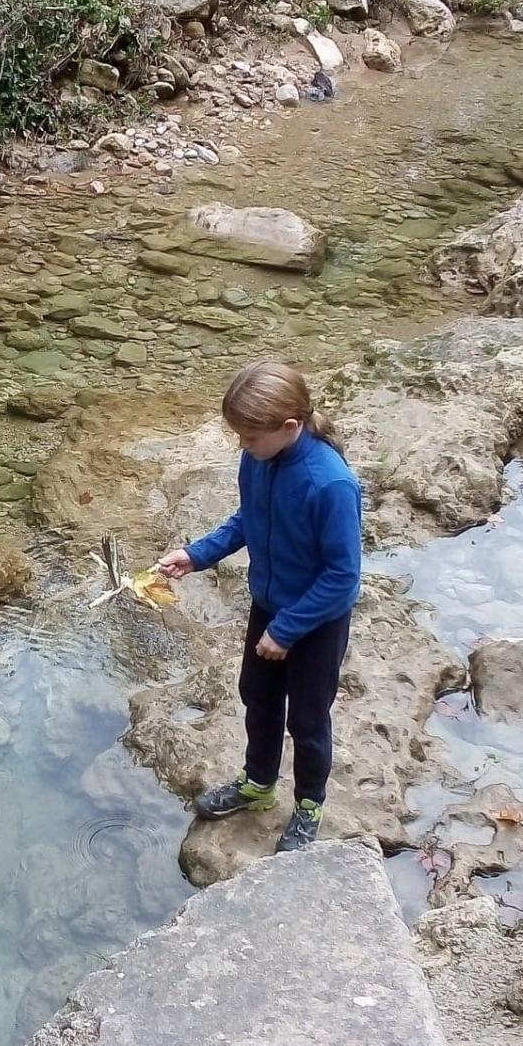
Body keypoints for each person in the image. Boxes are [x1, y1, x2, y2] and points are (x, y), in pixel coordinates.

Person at [156, 361, 363, 853]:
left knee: (308, 719)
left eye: (248, 437)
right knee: (258, 697)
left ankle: (309, 804)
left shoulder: (330, 484)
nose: (241, 446)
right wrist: (197, 553)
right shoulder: (259, 460)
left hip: (314, 623)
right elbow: (248, 519)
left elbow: (343, 577)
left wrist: (288, 630)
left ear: (289, 427)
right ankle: (258, 783)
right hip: (269, 606)